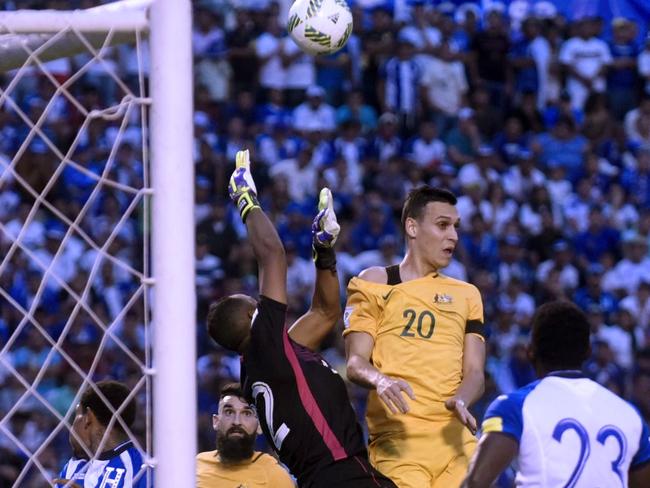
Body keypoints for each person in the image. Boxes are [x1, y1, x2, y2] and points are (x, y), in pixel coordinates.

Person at [207, 149, 396, 488]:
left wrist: (324, 252)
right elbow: (273, 255)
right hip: (344, 476)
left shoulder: (272, 362)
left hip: (333, 477)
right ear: (253, 316)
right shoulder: (265, 346)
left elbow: (326, 313)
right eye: (257, 302)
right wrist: (246, 199)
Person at [344, 186, 486, 487]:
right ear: (412, 226)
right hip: (400, 441)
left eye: (456, 227)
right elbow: (355, 363)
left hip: (455, 441)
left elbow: (475, 372)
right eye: (443, 225)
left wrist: (461, 399)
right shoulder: (375, 282)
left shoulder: (467, 295)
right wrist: (381, 380)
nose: (454, 237)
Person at [463, 301, 650, 488]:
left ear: (530, 352)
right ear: (588, 352)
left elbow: (476, 483)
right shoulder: (630, 414)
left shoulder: (514, 406)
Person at [196, 383, 294, 487]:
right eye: (229, 412)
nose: (237, 421)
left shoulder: (275, 476)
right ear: (216, 421)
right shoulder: (195, 468)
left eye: (247, 413)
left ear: (260, 426)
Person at [54, 380, 146, 487]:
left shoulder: (141, 469)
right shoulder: (74, 466)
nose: (72, 427)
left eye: (76, 416)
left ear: (88, 418)